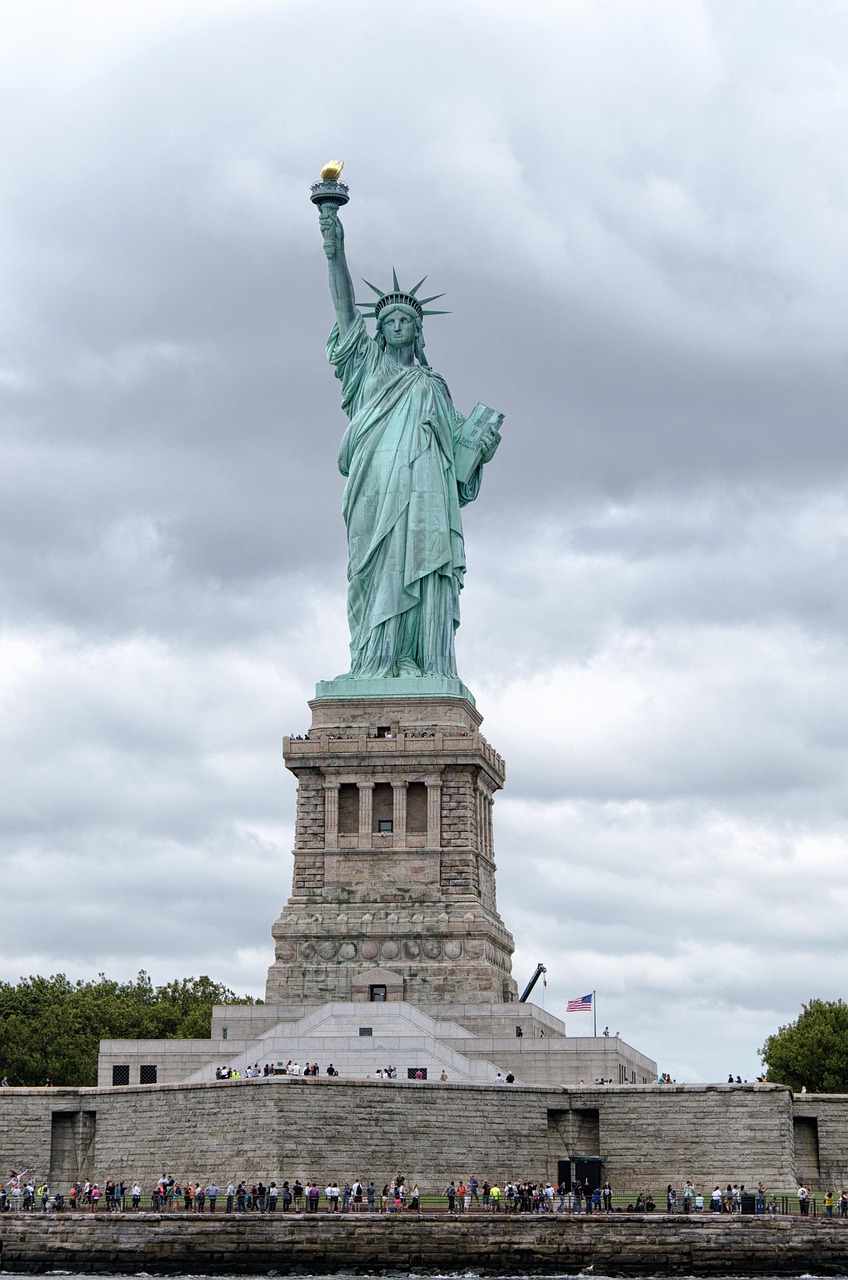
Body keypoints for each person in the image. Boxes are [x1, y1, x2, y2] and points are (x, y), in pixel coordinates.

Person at [318, 202, 502, 682]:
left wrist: (480, 449)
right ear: (378, 332)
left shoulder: (433, 386)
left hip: (425, 493)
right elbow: (344, 308)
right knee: (374, 568)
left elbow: (457, 462)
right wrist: (334, 248)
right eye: (389, 321)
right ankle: (374, 660)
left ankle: (417, 659)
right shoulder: (365, 368)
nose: (397, 326)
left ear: (418, 332)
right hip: (375, 485)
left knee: (420, 565)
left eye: (406, 320)